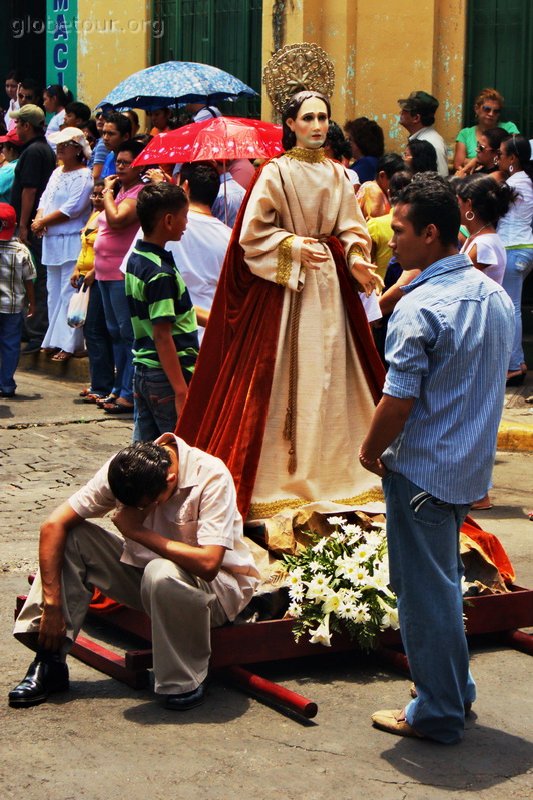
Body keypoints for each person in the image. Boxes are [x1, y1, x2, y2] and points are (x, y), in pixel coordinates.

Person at [176, 43, 385, 522]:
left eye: (323, 118)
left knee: (334, 374)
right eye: (307, 117)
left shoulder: (337, 174)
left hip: (329, 290)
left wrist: (355, 258)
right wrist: (292, 245)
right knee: (286, 375)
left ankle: (337, 468)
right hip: (286, 293)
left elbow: (352, 227)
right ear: (290, 122)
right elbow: (252, 236)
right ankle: (283, 474)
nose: (316, 125)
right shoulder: (273, 173)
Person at [359, 175, 514, 744]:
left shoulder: (422, 305)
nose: (390, 239)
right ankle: (454, 692)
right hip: (463, 470)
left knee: (426, 595)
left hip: (422, 469)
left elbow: (397, 402)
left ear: (431, 233)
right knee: (441, 585)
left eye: (399, 230)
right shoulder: (493, 296)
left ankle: (439, 710)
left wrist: (370, 450)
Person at [9, 434, 259, 710]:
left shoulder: (211, 476)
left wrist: (136, 531)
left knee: (161, 571)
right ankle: (49, 661)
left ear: (170, 481)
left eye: (142, 506)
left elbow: (209, 565)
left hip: (214, 595)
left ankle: (185, 679)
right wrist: (53, 605)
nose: (134, 511)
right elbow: (52, 526)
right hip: (148, 580)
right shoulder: (126, 468)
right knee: (72, 536)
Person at [125, 183, 199, 441]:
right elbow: (162, 335)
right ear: (168, 220)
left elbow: (175, 311)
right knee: (177, 449)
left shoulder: (138, 258)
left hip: (144, 370)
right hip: (167, 374)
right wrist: (181, 391)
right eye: (184, 216)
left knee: (144, 451)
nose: (186, 223)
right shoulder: (160, 274)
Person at [31, 128, 93, 361]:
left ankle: (69, 343)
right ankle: (53, 339)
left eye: (66, 145)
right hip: (51, 238)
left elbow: (73, 207)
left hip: (69, 239)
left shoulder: (84, 175)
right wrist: (39, 219)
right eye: (59, 145)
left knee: (70, 291)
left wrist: (42, 222)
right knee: (53, 292)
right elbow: (44, 199)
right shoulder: (57, 172)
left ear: (77, 149)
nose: (60, 148)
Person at [93, 140, 145, 414]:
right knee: (114, 331)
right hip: (102, 272)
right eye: (119, 162)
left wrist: (108, 193)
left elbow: (117, 221)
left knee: (127, 333)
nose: (121, 167)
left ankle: (128, 392)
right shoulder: (122, 191)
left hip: (120, 273)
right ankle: (117, 387)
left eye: (126, 163)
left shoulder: (138, 192)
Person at [9, 104, 56, 353]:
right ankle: (32, 329)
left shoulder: (34, 152)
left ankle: (36, 331)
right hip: (36, 225)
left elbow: (29, 190)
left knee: (33, 277)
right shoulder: (41, 149)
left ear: (27, 125)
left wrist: (23, 225)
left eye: (18, 123)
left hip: (32, 226)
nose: (15, 127)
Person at [70, 181, 116, 404]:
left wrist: (94, 272)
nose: (97, 198)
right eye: (94, 195)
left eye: (101, 195)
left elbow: (110, 249)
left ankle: (102, 385)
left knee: (96, 330)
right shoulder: (93, 216)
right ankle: (98, 382)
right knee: (91, 331)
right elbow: (86, 247)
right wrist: (76, 269)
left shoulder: (110, 217)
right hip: (85, 277)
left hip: (99, 278)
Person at [496, 134, 533, 385]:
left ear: (513, 159)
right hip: (523, 248)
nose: (497, 158)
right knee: (513, 307)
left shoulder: (514, 185)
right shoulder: (524, 181)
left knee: (511, 309)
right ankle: (516, 362)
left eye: (501, 154)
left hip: (513, 248)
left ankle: (514, 365)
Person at [0, 202, 36, 397]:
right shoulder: (21, 250)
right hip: (13, 306)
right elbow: (29, 279)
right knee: (10, 344)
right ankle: (6, 384)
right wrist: (32, 303)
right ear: (14, 225)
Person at [454, 88, 519, 171]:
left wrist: (475, 160)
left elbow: (517, 155)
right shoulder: (465, 134)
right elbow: (458, 165)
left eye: (496, 111)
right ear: (476, 109)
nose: (491, 114)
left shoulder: (509, 128)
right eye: (487, 109)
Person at [398, 91, 449, 177]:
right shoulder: (421, 138)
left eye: (405, 111)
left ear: (416, 118)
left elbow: (441, 177)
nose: (400, 113)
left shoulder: (432, 143)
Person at [357, 153, 405, 219]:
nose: (398, 186)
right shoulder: (373, 190)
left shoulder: (377, 189)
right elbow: (376, 225)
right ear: (382, 175)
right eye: (396, 181)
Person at [344, 117, 385, 183]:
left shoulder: (366, 164)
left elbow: (344, 182)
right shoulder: (374, 161)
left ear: (360, 142)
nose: (348, 143)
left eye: (350, 139)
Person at [100, 111, 132, 179]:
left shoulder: (133, 162)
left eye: (111, 134)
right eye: (104, 133)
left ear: (125, 136)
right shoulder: (110, 156)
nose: (105, 138)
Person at [43, 84, 73, 149]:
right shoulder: (57, 115)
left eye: (45, 99)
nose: (44, 103)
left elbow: (64, 139)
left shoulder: (63, 115)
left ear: (54, 99)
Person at [0, 129, 23, 203]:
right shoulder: (23, 163)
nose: (2, 151)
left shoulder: (9, 169)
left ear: (11, 150)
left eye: (3, 147)